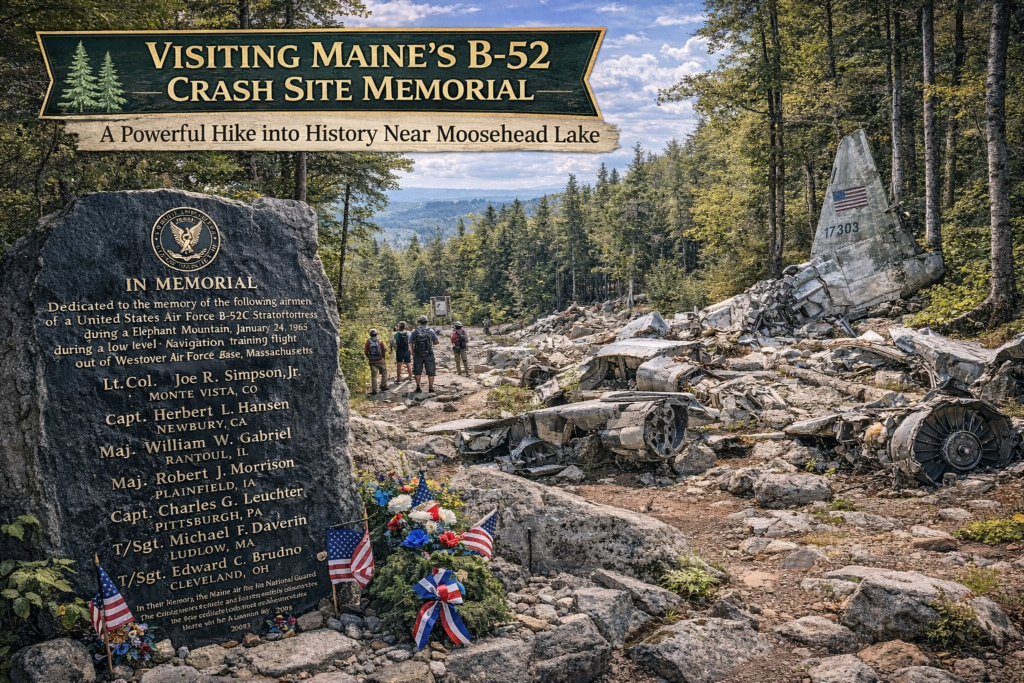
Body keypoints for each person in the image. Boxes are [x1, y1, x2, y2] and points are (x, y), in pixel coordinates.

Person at [408, 315, 439, 393]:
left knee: (417, 371)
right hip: (429, 354)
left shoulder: (415, 331)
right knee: (431, 371)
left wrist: (412, 350)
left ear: (419, 322)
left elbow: (410, 341)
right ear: (427, 322)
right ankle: (431, 387)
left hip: (418, 354)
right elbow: (436, 342)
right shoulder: (430, 331)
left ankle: (418, 387)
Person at [364, 328, 388, 395]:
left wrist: (369, 358)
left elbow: (366, 352)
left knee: (374, 376)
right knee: (384, 372)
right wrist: (383, 358)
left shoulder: (368, 342)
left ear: (370, 334)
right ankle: (383, 386)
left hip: (372, 362)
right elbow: (383, 350)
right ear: (377, 334)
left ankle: (374, 390)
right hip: (380, 360)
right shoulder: (380, 342)